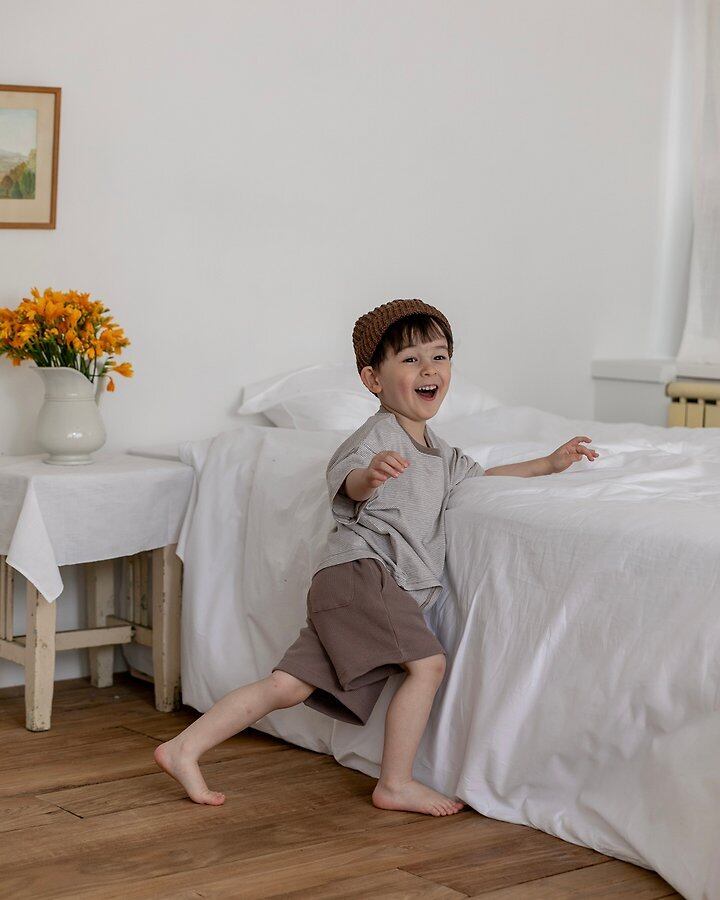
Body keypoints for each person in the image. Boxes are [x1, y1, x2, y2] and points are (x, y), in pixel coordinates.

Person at [154, 298, 598, 815]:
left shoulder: (441, 451)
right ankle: (395, 783)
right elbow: (348, 481)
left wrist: (548, 464)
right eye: (410, 360)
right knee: (427, 666)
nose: (429, 369)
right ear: (373, 380)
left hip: (350, 585)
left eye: (439, 356)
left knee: (287, 685)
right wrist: (372, 475)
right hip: (363, 572)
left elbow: (480, 478)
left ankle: (184, 748)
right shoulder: (376, 437)